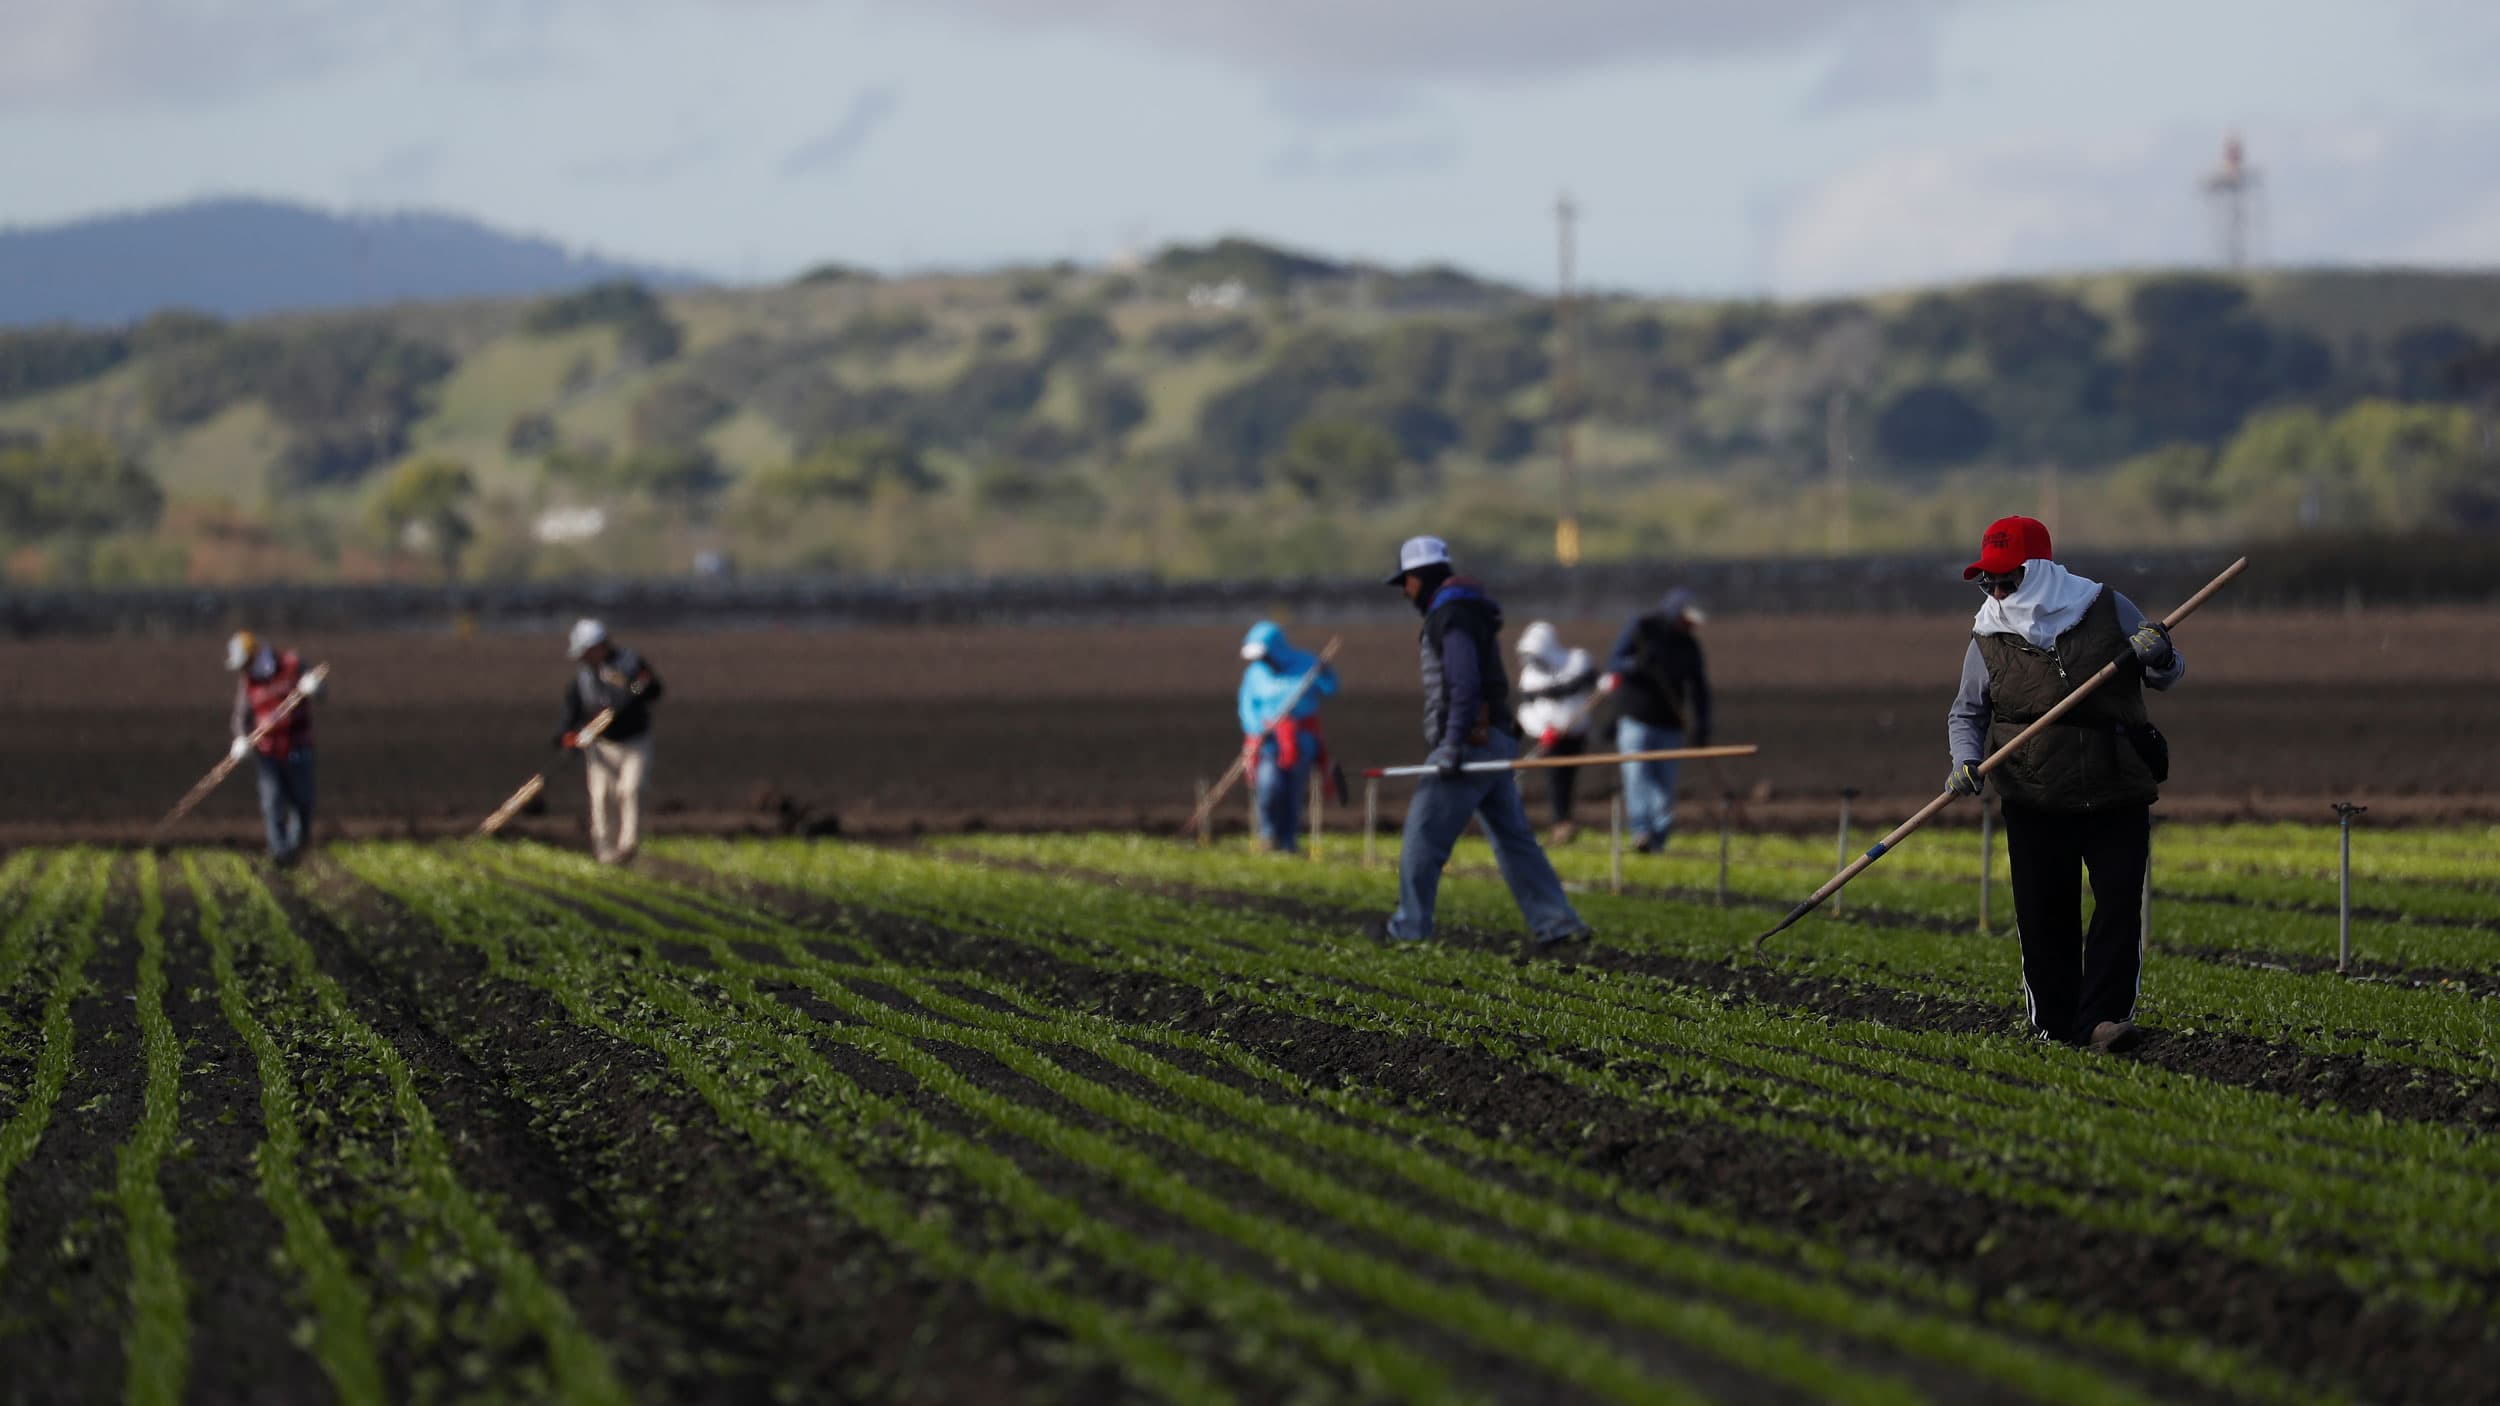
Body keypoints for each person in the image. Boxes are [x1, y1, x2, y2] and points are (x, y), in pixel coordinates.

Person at [1945, 516, 2184, 1055]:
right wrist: (1964, 760)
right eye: (1990, 582)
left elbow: (2168, 673)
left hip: (2115, 785)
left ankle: (2101, 1020)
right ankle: (2054, 1027)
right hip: (2033, 795)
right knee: (2043, 912)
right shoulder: (1987, 635)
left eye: (2008, 580)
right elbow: (1967, 713)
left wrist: (2159, 652)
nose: (1999, 591)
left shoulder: (2107, 608)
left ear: (2042, 570)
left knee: (2118, 906)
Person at [1379, 536, 1589, 948]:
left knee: (1423, 838)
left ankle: (1408, 928)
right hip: (1495, 741)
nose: (1405, 591)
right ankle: (1558, 923)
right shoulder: (1468, 611)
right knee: (1513, 839)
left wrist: (1454, 743)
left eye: (1406, 581)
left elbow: (1464, 683)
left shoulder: (1451, 615)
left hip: (1471, 742)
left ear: (1421, 578)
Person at [1604, 587, 1712, 853]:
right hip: (1635, 720)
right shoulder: (1642, 628)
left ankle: (1658, 839)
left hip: (1670, 725)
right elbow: (1615, 662)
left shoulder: (1689, 646)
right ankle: (1641, 831)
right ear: (1676, 614)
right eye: (1687, 621)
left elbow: (1699, 688)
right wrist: (1637, 665)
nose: (1690, 626)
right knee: (1637, 774)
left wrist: (1703, 723)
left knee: (1664, 785)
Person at [554, 619, 665, 866]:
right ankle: (606, 853)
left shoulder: (630, 663)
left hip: (634, 742)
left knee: (630, 789)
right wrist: (567, 736)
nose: (583, 658)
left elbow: (653, 689)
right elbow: (570, 714)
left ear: (598, 647)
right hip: (601, 745)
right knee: (602, 796)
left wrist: (641, 689)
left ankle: (628, 846)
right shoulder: (583, 679)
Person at [1237, 620, 1340, 854]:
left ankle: (1288, 841)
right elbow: (1247, 706)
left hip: (1300, 740)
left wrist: (1326, 672)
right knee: (1268, 786)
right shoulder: (1254, 674)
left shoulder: (1306, 664)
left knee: (1292, 792)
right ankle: (1268, 836)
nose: (1262, 661)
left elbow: (1330, 688)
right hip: (1267, 743)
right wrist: (1256, 729)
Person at [226, 631, 324, 865]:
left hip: (298, 746)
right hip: (268, 751)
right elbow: (240, 716)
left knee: (303, 800)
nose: (243, 669)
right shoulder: (248, 681)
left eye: (245, 663)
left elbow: (322, 692)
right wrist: (240, 739)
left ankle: (296, 846)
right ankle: (279, 852)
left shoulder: (292, 664)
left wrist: (315, 687)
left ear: (254, 655)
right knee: (272, 801)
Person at [1513, 621, 1601, 844]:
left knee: (1568, 777)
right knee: (1556, 778)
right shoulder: (1530, 677)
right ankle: (1560, 823)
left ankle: (1565, 821)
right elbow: (1528, 708)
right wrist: (1543, 730)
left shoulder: (1576, 661)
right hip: (1551, 736)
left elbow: (1591, 683)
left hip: (1575, 732)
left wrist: (1604, 684)